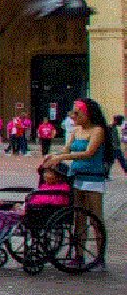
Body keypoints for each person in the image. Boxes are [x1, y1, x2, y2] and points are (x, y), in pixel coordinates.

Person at [44, 97, 109, 270]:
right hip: (77, 177)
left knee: (95, 218)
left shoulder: (97, 130)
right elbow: (66, 149)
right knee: (78, 217)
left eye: (77, 113)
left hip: (93, 178)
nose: (73, 116)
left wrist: (62, 157)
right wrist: (54, 155)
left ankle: (100, 256)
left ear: (88, 114)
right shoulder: (76, 130)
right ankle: (78, 255)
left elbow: (89, 153)